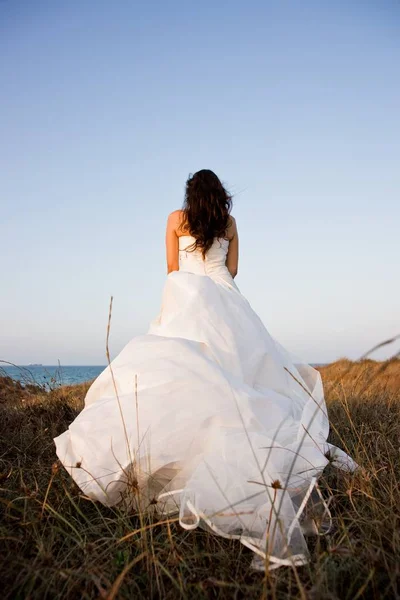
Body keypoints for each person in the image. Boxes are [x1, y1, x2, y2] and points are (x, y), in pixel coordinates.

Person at [54, 169, 357, 570]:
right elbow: (232, 270)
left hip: (185, 295)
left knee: (179, 370)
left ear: (190, 194)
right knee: (241, 373)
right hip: (226, 298)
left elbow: (170, 269)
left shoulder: (174, 219)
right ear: (220, 196)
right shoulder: (229, 223)